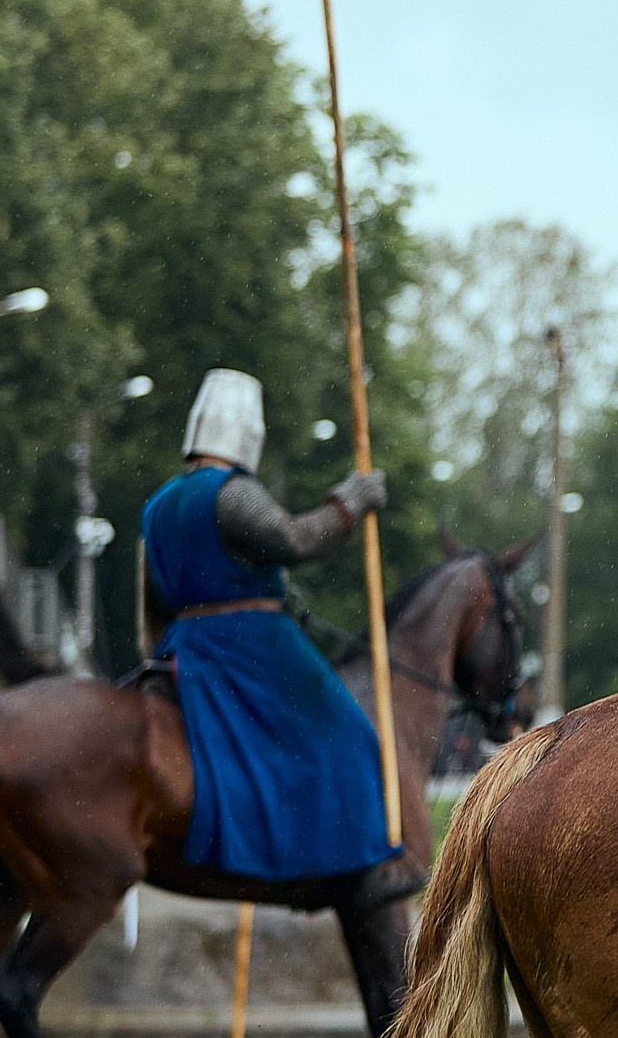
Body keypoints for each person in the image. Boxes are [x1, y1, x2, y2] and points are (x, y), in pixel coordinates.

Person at [140, 368, 410, 907]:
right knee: (352, 738)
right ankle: (363, 868)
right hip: (251, 643)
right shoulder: (230, 492)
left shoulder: (158, 505)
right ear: (249, 434)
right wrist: (350, 501)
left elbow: (154, 601)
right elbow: (293, 539)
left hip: (185, 646)